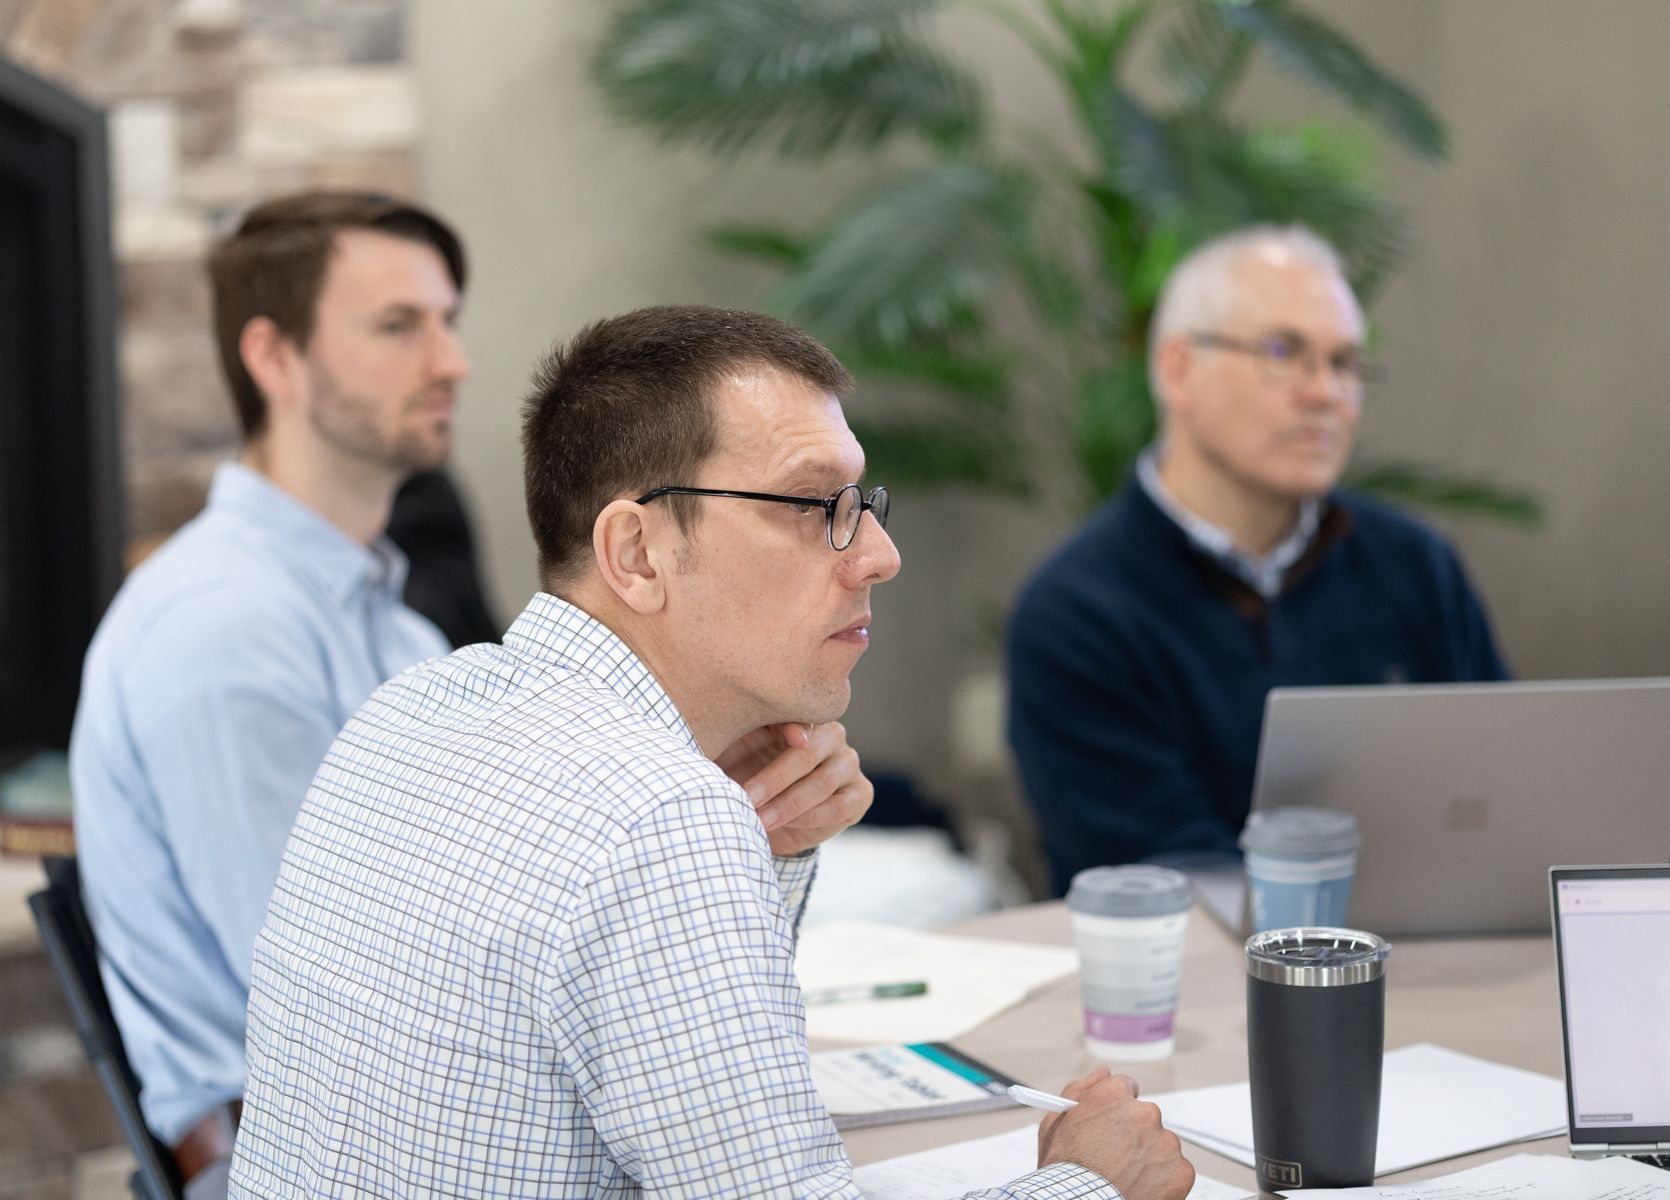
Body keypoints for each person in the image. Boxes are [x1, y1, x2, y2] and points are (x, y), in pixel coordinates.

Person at [228, 305, 1195, 1200]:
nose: (876, 556)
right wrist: (1090, 1184)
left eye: (861, 502)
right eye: (813, 507)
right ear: (638, 553)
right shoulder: (655, 816)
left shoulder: (417, 704)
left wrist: (761, 848)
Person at [68, 194, 872, 1186]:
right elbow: (347, 1011)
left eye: (449, 321)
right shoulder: (220, 633)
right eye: (398, 326)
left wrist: (742, 841)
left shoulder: (410, 653)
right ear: (273, 359)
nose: (452, 361)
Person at [1007, 225, 1508, 896]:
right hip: (1196, 984)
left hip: (1444, 958)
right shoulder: (1075, 613)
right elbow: (1164, 871)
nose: (1326, 392)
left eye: (1344, 364)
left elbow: (1501, 799)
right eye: (1284, 352)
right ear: (1178, 370)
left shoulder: (1415, 565)